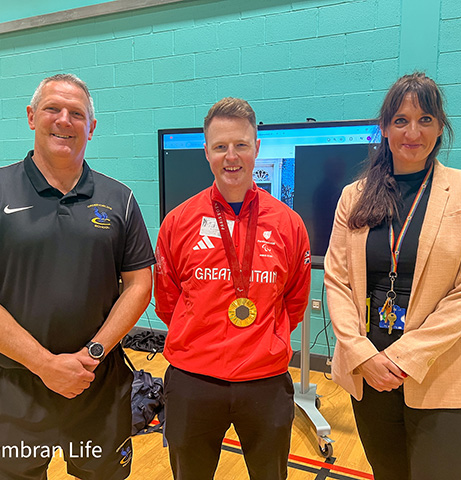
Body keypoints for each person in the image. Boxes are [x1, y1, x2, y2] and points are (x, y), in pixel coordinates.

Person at [0, 73, 155, 480]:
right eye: (53, 108)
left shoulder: (119, 198)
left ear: (92, 127)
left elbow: (140, 285)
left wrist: (91, 355)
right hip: (13, 388)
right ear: (32, 117)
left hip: (97, 385)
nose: (64, 120)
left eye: (77, 113)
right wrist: (44, 363)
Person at [324, 72, 461, 480]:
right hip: (370, 375)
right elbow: (337, 280)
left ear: (440, 126)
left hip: (443, 371)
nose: (412, 131)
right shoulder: (354, 195)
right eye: (401, 120)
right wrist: (362, 353)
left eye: (425, 119)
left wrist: (403, 357)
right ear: (384, 128)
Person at [154, 97, 311, 480]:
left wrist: (264, 340)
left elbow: (295, 300)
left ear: (257, 148)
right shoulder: (178, 222)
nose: (231, 156)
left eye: (241, 144)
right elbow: (167, 301)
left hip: (265, 381)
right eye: (221, 146)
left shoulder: (289, 224)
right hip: (193, 380)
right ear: (206, 151)